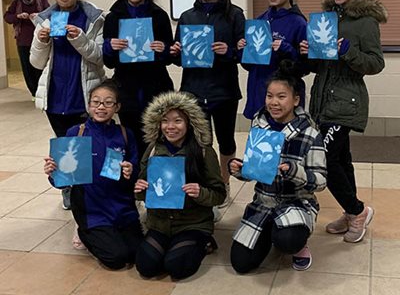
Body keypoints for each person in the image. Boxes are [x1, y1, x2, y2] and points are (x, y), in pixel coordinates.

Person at [300, 0, 387, 243]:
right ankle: (351, 213)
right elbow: (319, 65)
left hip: (347, 102)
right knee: (342, 160)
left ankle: (357, 210)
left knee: (324, 160)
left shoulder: (365, 22)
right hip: (322, 101)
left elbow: (375, 64)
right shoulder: (324, 19)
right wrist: (308, 53)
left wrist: (348, 49)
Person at [229, 60, 327, 272]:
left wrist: (294, 171)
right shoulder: (259, 124)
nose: (274, 102)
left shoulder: (310, 133)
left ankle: (297, 241)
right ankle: (271, 231)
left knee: (289, 241)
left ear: (295, 100)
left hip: (297, 202)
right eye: (269, 96)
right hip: (263, 202)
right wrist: (240, 170)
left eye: (281, 97)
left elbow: (320, 181)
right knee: (241, 263)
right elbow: (255, 168)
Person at [44, 80, 143, 270]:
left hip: (122, 205)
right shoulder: (76, 133)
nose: (101, 107)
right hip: (92, 209)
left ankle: (115, 232)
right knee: (116, 258)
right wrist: (52, 172)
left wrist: (131, 170)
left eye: (108, 102)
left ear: (117, 107)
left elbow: (136, 169)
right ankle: (84, 232)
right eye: (96, 102)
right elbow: (62, 180)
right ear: (89, 105)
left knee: (138, 255)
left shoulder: (124, 134)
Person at [30, 0, 105, 209]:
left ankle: (89, 193)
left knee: (86, 144)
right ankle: (68, 189)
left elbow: (99, 57)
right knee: (64, 143)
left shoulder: (94, 18)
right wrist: (41, 42)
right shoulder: (45, 21)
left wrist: (79, 38)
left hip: (83, 93)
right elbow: (36, 62)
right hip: (55, 95)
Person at [170, 0, 245, 209]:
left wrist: (230, 51)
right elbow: (178, 58)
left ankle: (222, 184)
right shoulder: (187, 17)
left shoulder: (234, 14)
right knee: (200, 143)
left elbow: (245, 53)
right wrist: (176, 52)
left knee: (226, 141)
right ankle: (201, 186)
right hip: (193, 90)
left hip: (223, 90)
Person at [134, 91, 226, 279]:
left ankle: (204, 243)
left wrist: (200, 193)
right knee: (146, 267)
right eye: (165, 121)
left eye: (178, 121)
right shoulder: (152, 150)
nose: (170, 127)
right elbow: (143, 190)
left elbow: (219, 194)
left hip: (192, 223)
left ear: (189, 123)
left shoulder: (203, 152)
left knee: (176, 267)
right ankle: (172, 245)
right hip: (159, 223)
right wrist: (140, 190)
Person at [102, 0, 174, 158]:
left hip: (156, 86)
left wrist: (163, 49)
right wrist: (110, 47)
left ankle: (157, 182)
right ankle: (134, 183)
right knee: (131, 139)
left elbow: (170, 58)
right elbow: (108, 62)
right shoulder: (113, 17)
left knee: (160, 139)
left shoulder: (159, 16)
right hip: (127, 89)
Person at [238, 0, 307, 120]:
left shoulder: (299, 23)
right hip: (258, 93)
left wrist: (286, 49)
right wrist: (243, 51)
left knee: (285, 142)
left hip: (284, 99)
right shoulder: (259, 21)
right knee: (259, 141)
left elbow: (304, 67)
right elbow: (250, 66)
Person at [4, 0, 49, 97]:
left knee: (41, 67)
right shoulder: (16, 4)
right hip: (23, 41)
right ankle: (34, 93)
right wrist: (18, 16)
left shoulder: (42, 0)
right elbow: (7, 17)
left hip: (41, 40)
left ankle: (44, 92)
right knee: (27, 69)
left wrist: (39, 15)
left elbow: (51, 16)